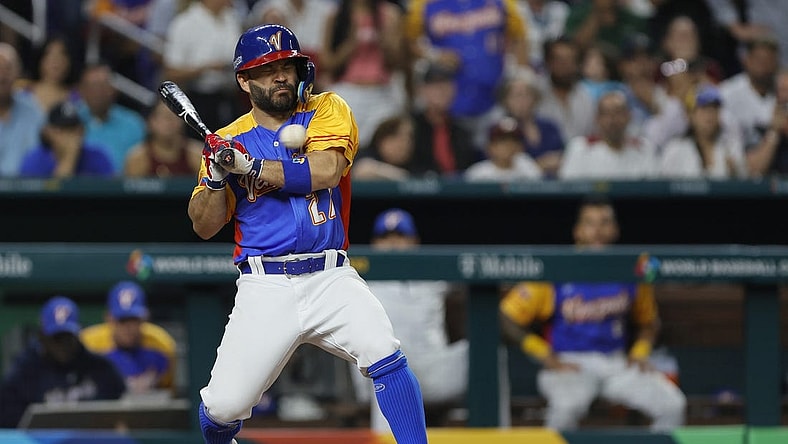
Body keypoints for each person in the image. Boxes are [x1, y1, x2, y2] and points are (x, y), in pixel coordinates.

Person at [186, 24, 428, 444]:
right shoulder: (228, 141)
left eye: (288, 66)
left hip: (329, 274)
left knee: (382, 349)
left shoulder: (327, 108)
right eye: (267, 68)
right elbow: (204, 226)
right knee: (222, 407)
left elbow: (327, 170)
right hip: (265, 284)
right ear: (244, 81)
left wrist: (253, 168)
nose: (281, 75)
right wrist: (216, 176)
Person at [499, 195, 687, 431]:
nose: (597, 230)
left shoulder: (631, 268)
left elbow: (649, 322)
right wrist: (543, 353)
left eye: (604, 222)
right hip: (570, 363)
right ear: (577, 231)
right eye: (590, 223)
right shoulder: (557, 268)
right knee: (566, 409)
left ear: (615, 230)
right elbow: (505, 317)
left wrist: (640, 352)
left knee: (673, 405)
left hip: (616, 363)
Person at [352, 208, 468, 433]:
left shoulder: (433, 275)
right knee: (383, 357)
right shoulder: (358, 279)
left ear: (415, 241)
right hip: (379, 373)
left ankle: (493, 432)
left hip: (434, 371)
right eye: (386, 238)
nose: (394, 243)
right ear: (374, 244)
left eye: (401, 237)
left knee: (487, 352)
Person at [0, 296, 126, 428]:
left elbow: (121, 410)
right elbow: (8, 425)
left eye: (68, 337)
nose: (63, 345)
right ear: (42, 336)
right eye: (57, 338)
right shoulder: (25, 372)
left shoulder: (100, 368)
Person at [81, 281, 178, 395]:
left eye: (133, 320)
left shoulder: (162, 344)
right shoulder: (88, 343)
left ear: (145, 317)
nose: (128, 327)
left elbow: (169, 393)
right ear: (109, 318)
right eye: (122, 320)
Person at [558, 90, 658, 179]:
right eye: (606, 114)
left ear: (629, 116)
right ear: (597, 118)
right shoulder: (580, 147)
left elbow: (655, 190)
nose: (613, 120)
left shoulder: (644, 148)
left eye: (618, 113)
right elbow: (568, 189)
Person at [659, 84, 747, 178]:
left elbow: (745, 182)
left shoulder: (731, 148)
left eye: (714, 108)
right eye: (704, 108)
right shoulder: (675, 149)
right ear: (690, 114)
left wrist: (734, 172)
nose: (709, 114)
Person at [75, 63, 147, 172]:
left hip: (123, 186)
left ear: (113, 90)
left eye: (103, 86)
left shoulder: (133, 123)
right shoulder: (71, 121)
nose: (98, 93)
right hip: (79, 186)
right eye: (93, 86)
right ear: (82, 90)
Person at [18, 100, 115, 178]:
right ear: (48, 132)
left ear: (82, 131)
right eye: (61, 131)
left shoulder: (98, 156)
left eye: (73, 130)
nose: (69, 137)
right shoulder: (34, 159)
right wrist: (68, 159)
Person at [123, 100, 203, 177]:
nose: (169, 121)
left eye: (174, 116)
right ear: (151, 121)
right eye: (164, 116)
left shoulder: (197, 155)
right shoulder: (137, 159)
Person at [0, 42, 45, 177]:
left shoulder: (33, 109)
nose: (2, 76)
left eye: (8, 69)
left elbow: (43, 155)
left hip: (27, 192)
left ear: (18, 73)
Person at [464, 116, 543, 182]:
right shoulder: (478, 173)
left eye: (513, 141)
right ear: (490, 147)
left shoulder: (528, 168)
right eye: (502, 142)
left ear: (520, 146)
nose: (508, 146)